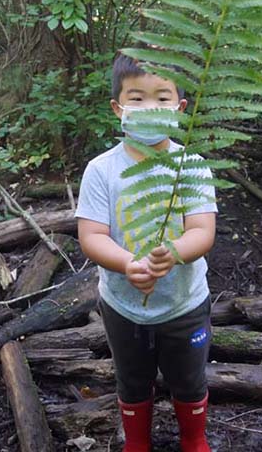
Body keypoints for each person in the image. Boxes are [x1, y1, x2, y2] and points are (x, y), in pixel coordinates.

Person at [76, 53, 217, 452]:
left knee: (189, 379)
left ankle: (194, 438)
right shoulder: (101, 170)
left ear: (180, 108)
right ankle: (137, 442)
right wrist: (126, 263)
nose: (150, 108)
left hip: (185, 304)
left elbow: (203, 231)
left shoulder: (191, 166)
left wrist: (173, 252)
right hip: (122, 304)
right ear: (118, 108)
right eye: (137, 99)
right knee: (133, 379)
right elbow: (91, 235)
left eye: (162, 98)